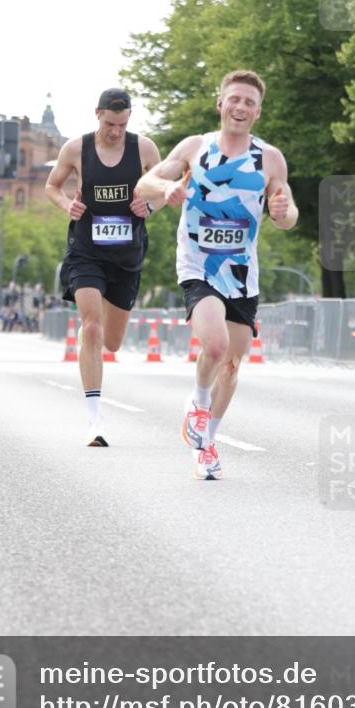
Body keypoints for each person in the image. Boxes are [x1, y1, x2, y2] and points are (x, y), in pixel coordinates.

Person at [136, 70, 299, 480]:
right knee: (214, 346)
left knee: (232, 364)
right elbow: (145, 183)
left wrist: (284, 214)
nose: (240, 107)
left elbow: (288, 211)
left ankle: (207, 440)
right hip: (198, 263)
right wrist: (165, 190)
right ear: (221, 104)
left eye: (249, 102)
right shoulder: (196, 147)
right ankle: (198, 400)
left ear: (257, 112)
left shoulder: (270, 158)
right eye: (234, 99)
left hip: (242, 273)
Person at [45, 87, 162, 446]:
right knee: (92, 328)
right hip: (86, 251)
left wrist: (151, 206)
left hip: (126, 256)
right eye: (110, 123)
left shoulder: (144, 148)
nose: (116, 131)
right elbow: (51, 185)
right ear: (97, 114)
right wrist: (67, 205)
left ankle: (93, 338)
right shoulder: (75, 149)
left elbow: (166, 187)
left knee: (111, 341)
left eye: (123, 124)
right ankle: (95, 421)